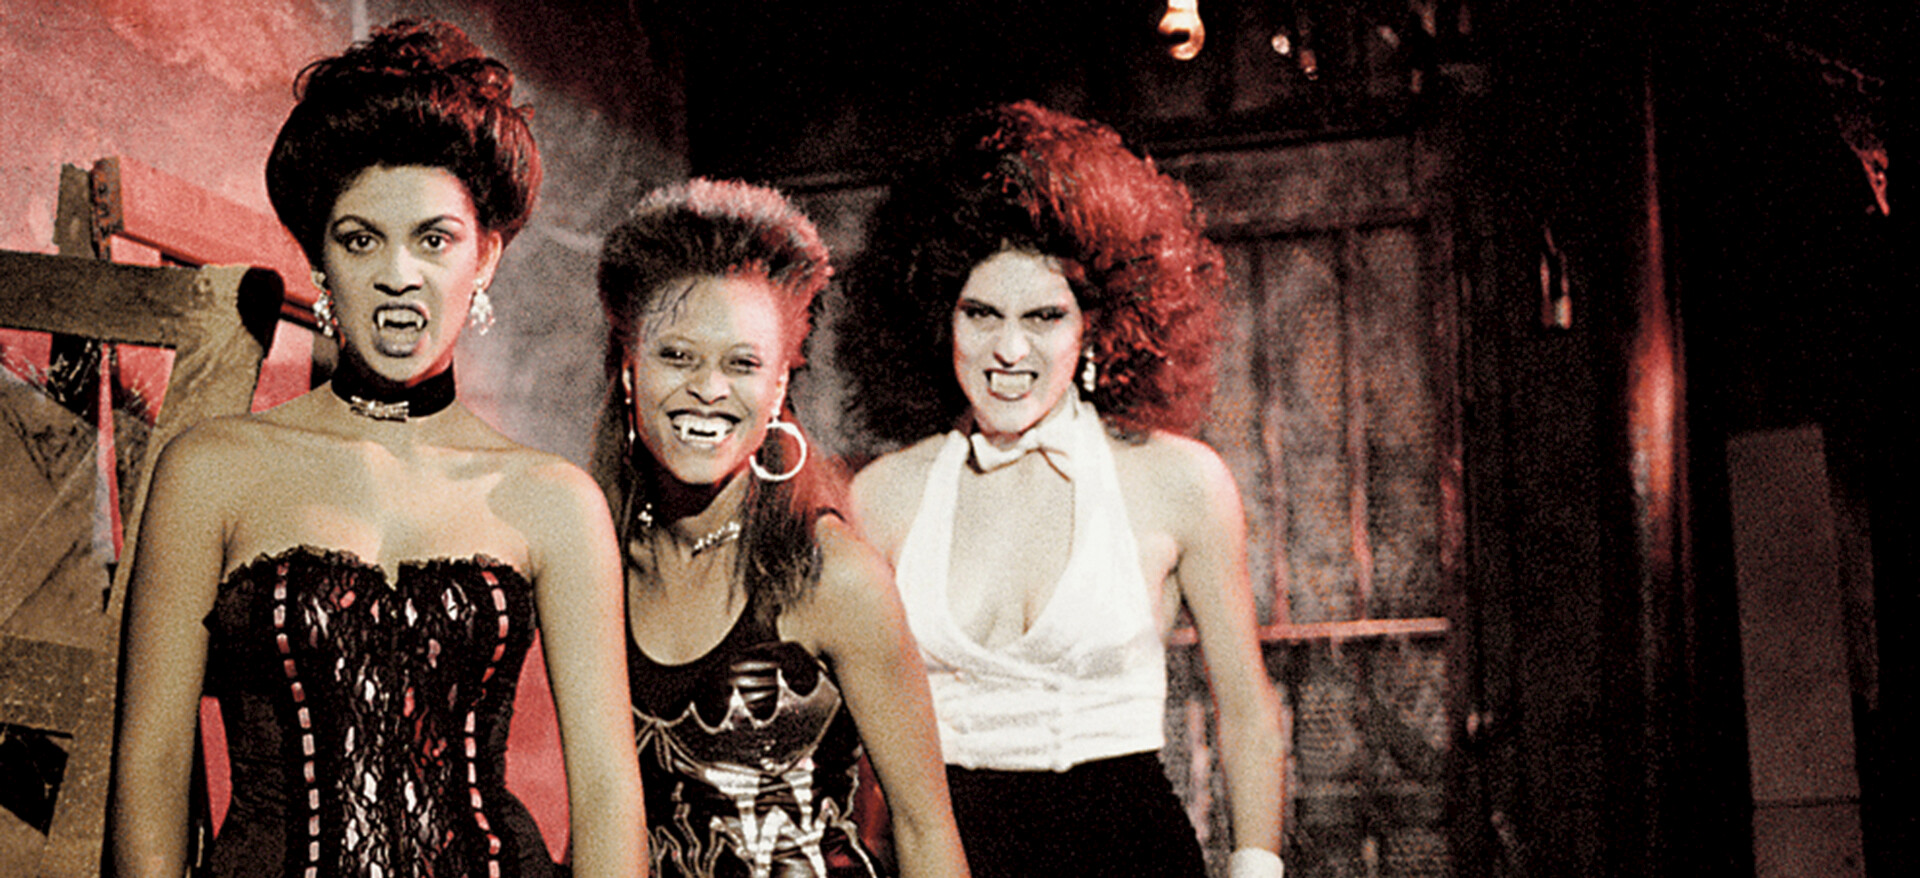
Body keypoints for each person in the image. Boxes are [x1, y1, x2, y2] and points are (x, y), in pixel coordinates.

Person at [108, 19, 645, 878]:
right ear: (320, 261)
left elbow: (612, 799)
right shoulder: (211, 472)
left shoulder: (555, 501)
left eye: (435, 239)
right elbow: (151, 771)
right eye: (361, 239)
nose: (399, 274)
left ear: (486, 257)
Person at [840, 101, 1286, 878]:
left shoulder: (1180, 482)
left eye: (1044, 316)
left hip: (1129, 857)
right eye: (982, 314)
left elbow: (1247, 713)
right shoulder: (882, 496)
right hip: (946, 856)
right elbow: (865, 744)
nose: (1009, 350)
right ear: (939, 321)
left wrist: (1257, 871)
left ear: (1095, 327)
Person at [591, 178, 969, 878]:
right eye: (677, 356)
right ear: (629, 367)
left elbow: (924, 830)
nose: (709, 388)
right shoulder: (597, 561)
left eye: (743, 363)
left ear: (777, 390)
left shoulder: (835, 577)